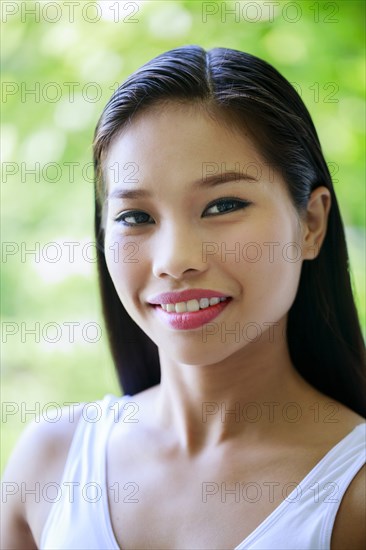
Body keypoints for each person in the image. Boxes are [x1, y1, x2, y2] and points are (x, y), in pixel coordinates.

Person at [2, 45, 365, 550]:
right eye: (136, 217)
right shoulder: (50, 466)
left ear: (311, 223)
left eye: (223, 205)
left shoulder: (354, 498)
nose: (175, 259)